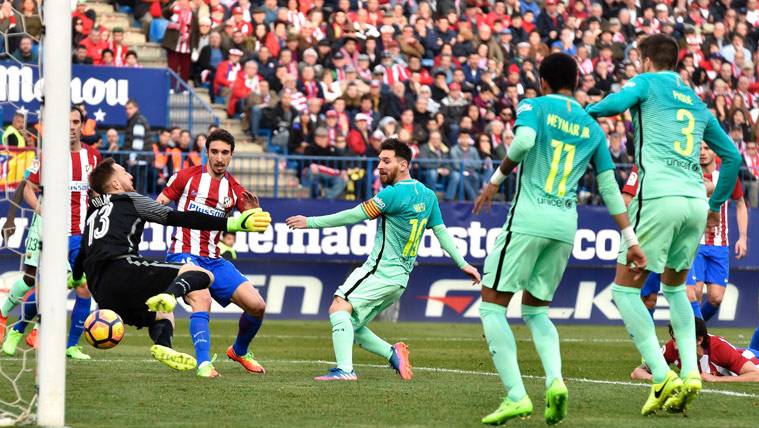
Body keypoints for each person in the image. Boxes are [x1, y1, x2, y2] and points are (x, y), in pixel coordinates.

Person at [472, 52, 645, 426]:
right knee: (536, 311)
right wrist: (630, 238)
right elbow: (610, 189)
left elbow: (523, 142)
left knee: (492, 307)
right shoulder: (592, 126)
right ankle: (555, 382)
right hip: (566, 225)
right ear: (577, 83)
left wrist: (494, 181)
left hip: (528, 219)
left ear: (542, 81)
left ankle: (517, 395)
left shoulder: (534, 105)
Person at [586, 34, 742, 415]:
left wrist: (583, 111)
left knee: (624, 292)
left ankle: (660, 374)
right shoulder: (696, 99)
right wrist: (714, 206)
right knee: (675, 290)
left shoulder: (645, 82)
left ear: (644, 58)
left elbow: (614, 105)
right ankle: (690, 371)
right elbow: (734, 158)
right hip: (694, 202)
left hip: (658, 196)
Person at [286, 139, 480, 381]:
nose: (379, 166)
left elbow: (354, 215)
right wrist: (463, 264)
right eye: (379, 160)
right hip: (399, 280)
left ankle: (345, 370)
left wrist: (311, 222)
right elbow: (441, 232)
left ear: (403, 164)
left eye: (386, 161)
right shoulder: (428, 195)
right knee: (350, 325)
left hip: (380, 271)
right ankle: (393, 354)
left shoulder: (392, 194)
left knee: (339, 307)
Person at [71, 158, 270, 377]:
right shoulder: (131, 199)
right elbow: (178, 217)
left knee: (162, 316)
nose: (130, 175)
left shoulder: (93, 210)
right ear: (116, 185)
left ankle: (164, 345)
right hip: (122, 268)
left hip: (101, 292)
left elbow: (82, 251)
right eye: (125, 173)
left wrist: (76, 276)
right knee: (202, 275)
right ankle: (170, 294)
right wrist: (232, 224)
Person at [156, 129, 269, 374]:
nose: (219, 158)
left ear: (231, 155)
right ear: (206, 152)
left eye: (225, 153)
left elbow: (255, 225)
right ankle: (204, 363)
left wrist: (255, 216)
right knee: (202, 298)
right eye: (214, 152)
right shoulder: (184, 178)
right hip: (182, 255)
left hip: (214, 259)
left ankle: (238, 351)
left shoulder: (234, 190)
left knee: (257, 306)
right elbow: (157, 208)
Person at [1, 107, 101, 360]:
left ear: (82, 125)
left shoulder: (93, 157)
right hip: (54, 233)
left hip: (80, 233)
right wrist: (40, 209)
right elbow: (27, 188)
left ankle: (71, 345)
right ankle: (18, 329)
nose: (71, 127)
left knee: (84, 288)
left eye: (76, 122)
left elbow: (96, 193)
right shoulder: (49, 156)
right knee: (45, 287)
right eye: (67, 122)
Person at [685, 142, 747, 321]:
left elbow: (741, 204)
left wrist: (742, 237)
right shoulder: (689, 175)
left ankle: (695, 328)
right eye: (699, 148)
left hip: (720, 244)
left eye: (707, 148)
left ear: (715, 151)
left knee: (716, 298)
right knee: (694, 292)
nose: (703, 152)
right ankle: (694, 336)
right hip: (695, 243)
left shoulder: (726, 177)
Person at [631, 318, 759, 383]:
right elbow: (637, 372)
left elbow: (757, 375)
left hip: (753, 359)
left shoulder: (719, 348)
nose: (676, 346)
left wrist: (717, 380)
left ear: (699, 340)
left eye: (682, 341)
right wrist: (660, 379)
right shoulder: (672, 348)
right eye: (674, 339)